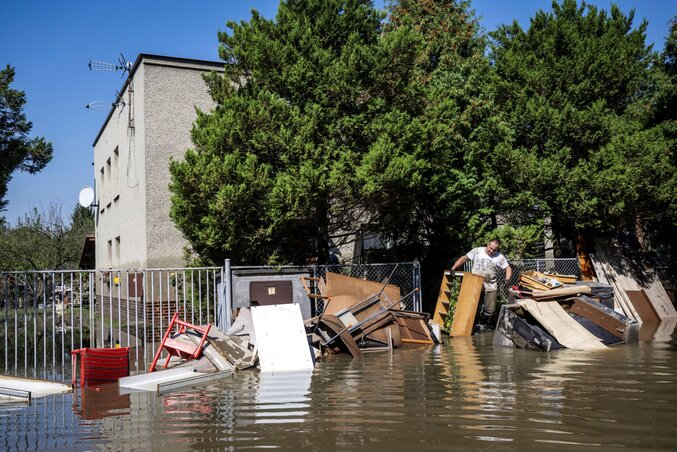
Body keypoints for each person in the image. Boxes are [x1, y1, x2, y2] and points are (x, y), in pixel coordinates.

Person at [450, 239, 512, 329]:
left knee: (490, 310)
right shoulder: (477, 251)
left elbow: (508, 268)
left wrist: (507, 279)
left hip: (490, 286)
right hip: (475, 284)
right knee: (473, 306)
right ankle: (471, 325)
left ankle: (487, 327)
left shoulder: (499, 257)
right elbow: (464, 258)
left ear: (497, 249)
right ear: (487, 244)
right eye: (490, 248)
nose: (491, 251)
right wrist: (453, 268)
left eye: (494, 250)